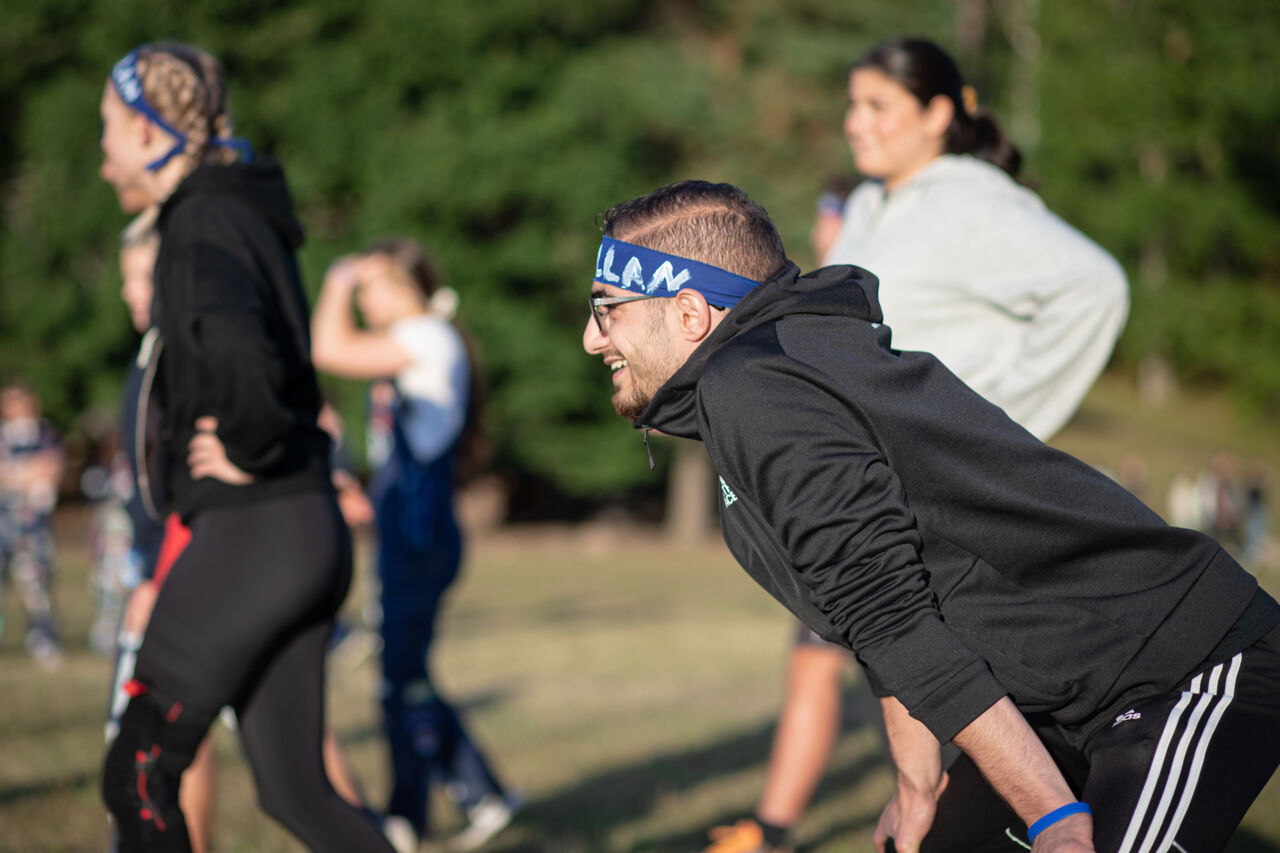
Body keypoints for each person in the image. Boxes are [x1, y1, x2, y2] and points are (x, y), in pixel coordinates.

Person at [581, 179, 1280, 853]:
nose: (591, 337)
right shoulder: (768, 374)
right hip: (1062, 698)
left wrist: (1055, 816)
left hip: (1178, 664)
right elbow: (879, 606)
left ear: (688, 313)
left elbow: (888, 612)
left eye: (607, 308)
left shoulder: (752, 388)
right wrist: (918, 780)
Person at [708, 37, 1132, 853]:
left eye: (878, 106)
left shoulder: (973, 198)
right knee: (905, 675)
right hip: (866, 485)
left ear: (940, 115)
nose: (855, 123)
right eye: (852, 104)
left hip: (941, 491)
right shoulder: (871, 202)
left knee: (965, 691)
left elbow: (1096, 287)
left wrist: (999, 421)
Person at [95, 42, 396, 852]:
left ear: (154, 133)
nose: (101, 156)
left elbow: (237, 344)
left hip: (258, 529)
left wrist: (250, 443)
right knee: (299, 792)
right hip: (301, 528)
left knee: (140, 769)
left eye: (109, 131)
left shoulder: (199, 218)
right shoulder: (241, 208)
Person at [312, 238, 519, 851]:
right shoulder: (421, 340)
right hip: (409, 528)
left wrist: (336, 280)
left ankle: (420, 813)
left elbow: (328, 348)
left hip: (421, 536)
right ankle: (460, 799)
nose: (363, 296)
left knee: (400, 677)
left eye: (373, 284)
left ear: (406, 286)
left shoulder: (425, 336)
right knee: (404, 673)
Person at [0, 378, 65, 669]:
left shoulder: (45, 433)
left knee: (37, 582)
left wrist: (15, 473)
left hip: (34, 525)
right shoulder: (5, 436)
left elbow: (52, 468)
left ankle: (43, 638)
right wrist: (28, 473)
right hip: (4, 522)